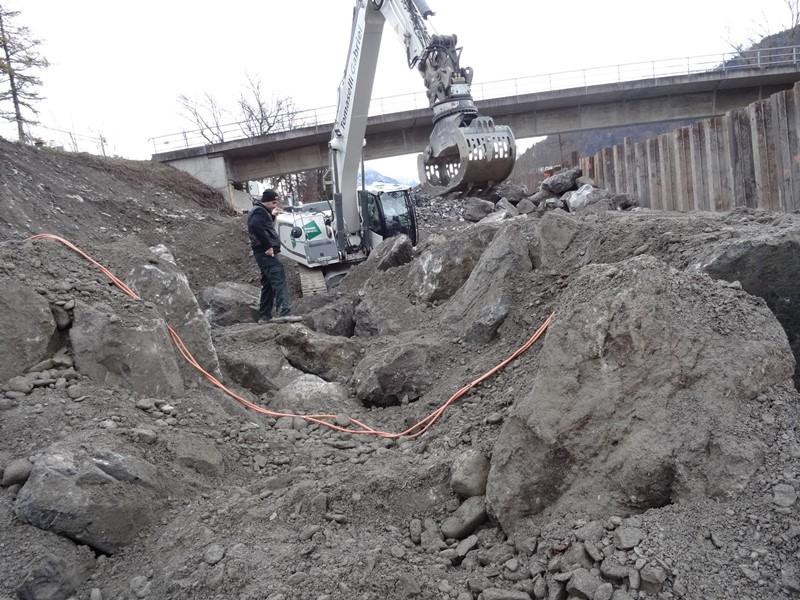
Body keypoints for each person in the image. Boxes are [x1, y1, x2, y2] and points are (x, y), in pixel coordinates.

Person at [247, 189, 290, 321]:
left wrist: (272, 216)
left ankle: (265, 315)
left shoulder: (260, 211)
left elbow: (263, 225)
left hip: (262, 252)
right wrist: (268, 247)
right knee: (278, 278)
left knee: (268, 284)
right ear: (270, 201)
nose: (276, 205)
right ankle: (284, 313)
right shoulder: (259, 211)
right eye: (275, 203)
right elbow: (256, 227)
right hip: (265, 252)